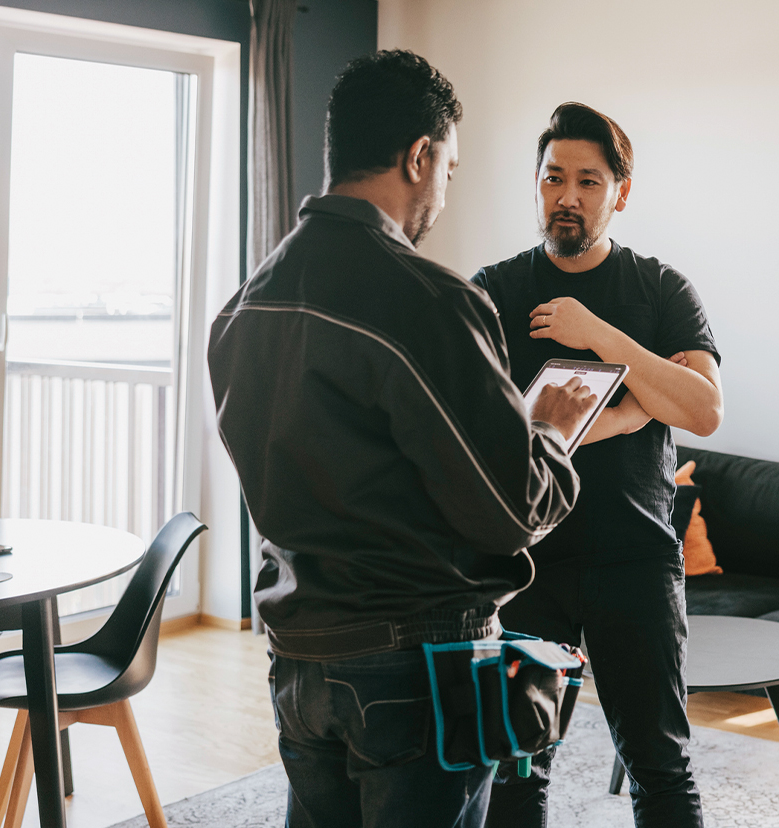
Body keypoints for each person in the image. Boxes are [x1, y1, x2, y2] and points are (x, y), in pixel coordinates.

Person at [207, 53, 597, 828]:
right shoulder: (429, 300)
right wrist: (550, 429)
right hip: (416, 664)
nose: (444, 191)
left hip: (299, 659)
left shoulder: (245, 307)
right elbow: (513, 510)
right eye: (448, 168)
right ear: (420, 156)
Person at [472, 102, 724, 828]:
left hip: (636, 562)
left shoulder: (660, 289)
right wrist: (626, 411)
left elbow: (703, 409)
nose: (568, 196)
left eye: (588, 181)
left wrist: (599, 335)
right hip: (525, 566)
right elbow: (470, 428)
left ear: (622, 192)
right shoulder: (491, 290)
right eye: (554, 177)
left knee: (660, 768)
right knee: (517, 769)